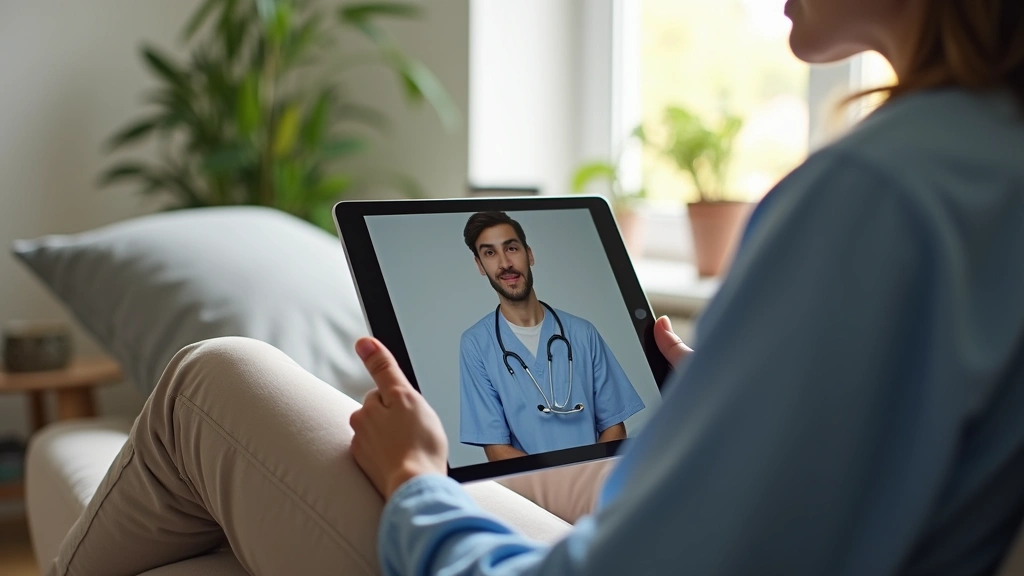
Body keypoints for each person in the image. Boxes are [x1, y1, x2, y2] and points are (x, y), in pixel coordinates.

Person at [49, 0, 1024, 574]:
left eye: (516, 250)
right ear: (481, 267)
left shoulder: (877, 193)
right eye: (495, 254)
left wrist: (417, 486)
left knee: (204, 382)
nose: (509, 264)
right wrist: (719, 409)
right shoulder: (989, 165)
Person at [458, 211, 645, 461]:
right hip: (530, 493)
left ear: (529, 254)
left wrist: (586, 484)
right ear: (480, 266)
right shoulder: (476, 345)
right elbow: (496, 449)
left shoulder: (582, 333)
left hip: (595, 486)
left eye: (511, 248)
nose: (504, 263)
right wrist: (557, 487)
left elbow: (614, 427)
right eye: (490, 253)